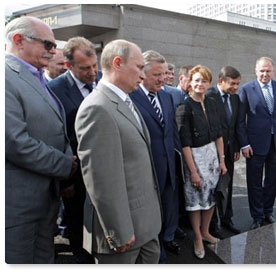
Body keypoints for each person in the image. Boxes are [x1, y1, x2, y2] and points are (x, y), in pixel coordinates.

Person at [75, 39, 162, 264]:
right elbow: (101, 180)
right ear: (117, 63)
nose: (143, 75)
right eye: (140, 67)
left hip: (145, 227)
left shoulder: (124, 101)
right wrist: (119, 231)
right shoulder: (97, 108)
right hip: (124, 236)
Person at [5, 16, 77, 263]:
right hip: (18, 207)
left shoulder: (34, 76)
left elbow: (56, 127)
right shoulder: (5, 77)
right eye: (48, 45)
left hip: (45, 200)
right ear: (18, 40)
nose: (54, 51)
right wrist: (65, 164)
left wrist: (66, 159)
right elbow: (14, 142)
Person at [48, 36, 100, 263]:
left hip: (103, 169)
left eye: (95, 66)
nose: (92, 72)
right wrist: (65, 180)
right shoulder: (54, 90)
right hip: (75, 174)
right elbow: (56, 136)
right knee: (77, 222)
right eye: (85, 68)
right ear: (68, 66)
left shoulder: (102, 81)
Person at [129, 50, 182, 263]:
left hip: (168, 167)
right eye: (157, 75)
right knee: (146, 219)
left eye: (165, 73)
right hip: (145, 172)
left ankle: (162, 245)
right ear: (143, 73)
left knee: (167, 212)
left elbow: (171, 134)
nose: (163, 79)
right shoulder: (130, 98)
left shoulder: (167, 97)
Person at [176, 65, 227, 259]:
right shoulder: (184, 107)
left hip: (213, 157)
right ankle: (197, 236)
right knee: (196, 201)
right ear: (190, 82)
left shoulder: (213, 102)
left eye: (204, 80)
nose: (200, 84)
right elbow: (185, 143)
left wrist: (222, 161)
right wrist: (194, 172)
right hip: (194, 159)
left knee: (211, 197)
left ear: (209, 82)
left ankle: (206, 231)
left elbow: (219, 134)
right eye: (196, 80)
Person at [238, 56, 276, 230]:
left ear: (273, 71)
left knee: (272, 179)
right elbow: (240, 121)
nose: (265, 74)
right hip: (255, 145)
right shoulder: (247, 89)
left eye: (268, 70)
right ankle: (257, 215)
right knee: (254, 181)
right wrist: (244, 144)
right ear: (256, 71)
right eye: (261, 70)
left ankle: (268, 211)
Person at [206, 66, 242, 238]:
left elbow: (234, 126)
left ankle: (227, 218)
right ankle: (213, 224)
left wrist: (235, 148)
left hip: (229, 151)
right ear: (221, 81)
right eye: (233, 83)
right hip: (212, 152)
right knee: (214, 188)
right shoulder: (209, 96)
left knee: (227, 185)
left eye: (238, 84)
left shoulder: (235, 99)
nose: (236, 87)